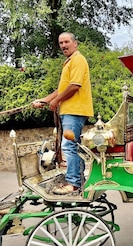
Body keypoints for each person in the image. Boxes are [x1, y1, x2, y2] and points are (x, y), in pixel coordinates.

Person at [32, 32, 93, 195]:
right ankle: (77, 181)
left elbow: (74, 86)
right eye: (61, 43)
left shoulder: (78, 59)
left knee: (69, 146)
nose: (63, 45)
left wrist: (56, 101)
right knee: (73, 147)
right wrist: (45, 100)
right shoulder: (69, 62)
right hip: (70, 110)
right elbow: (62, 89)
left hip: (75, 110)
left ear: (75, 43)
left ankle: (73, 183)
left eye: (66, 42)